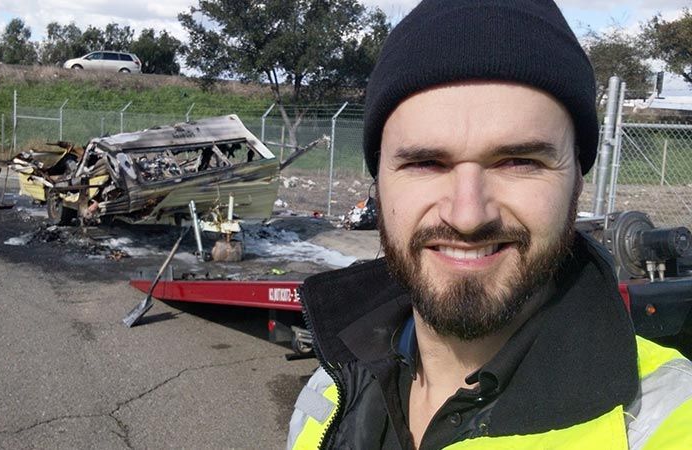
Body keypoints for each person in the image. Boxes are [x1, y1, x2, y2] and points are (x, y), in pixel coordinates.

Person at [287, 1, 692, 449]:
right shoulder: (329, 393)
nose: (468, 215)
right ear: (378, 180)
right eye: (425, 163)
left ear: (578, 176)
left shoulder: (664, 420)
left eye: (519, 161)